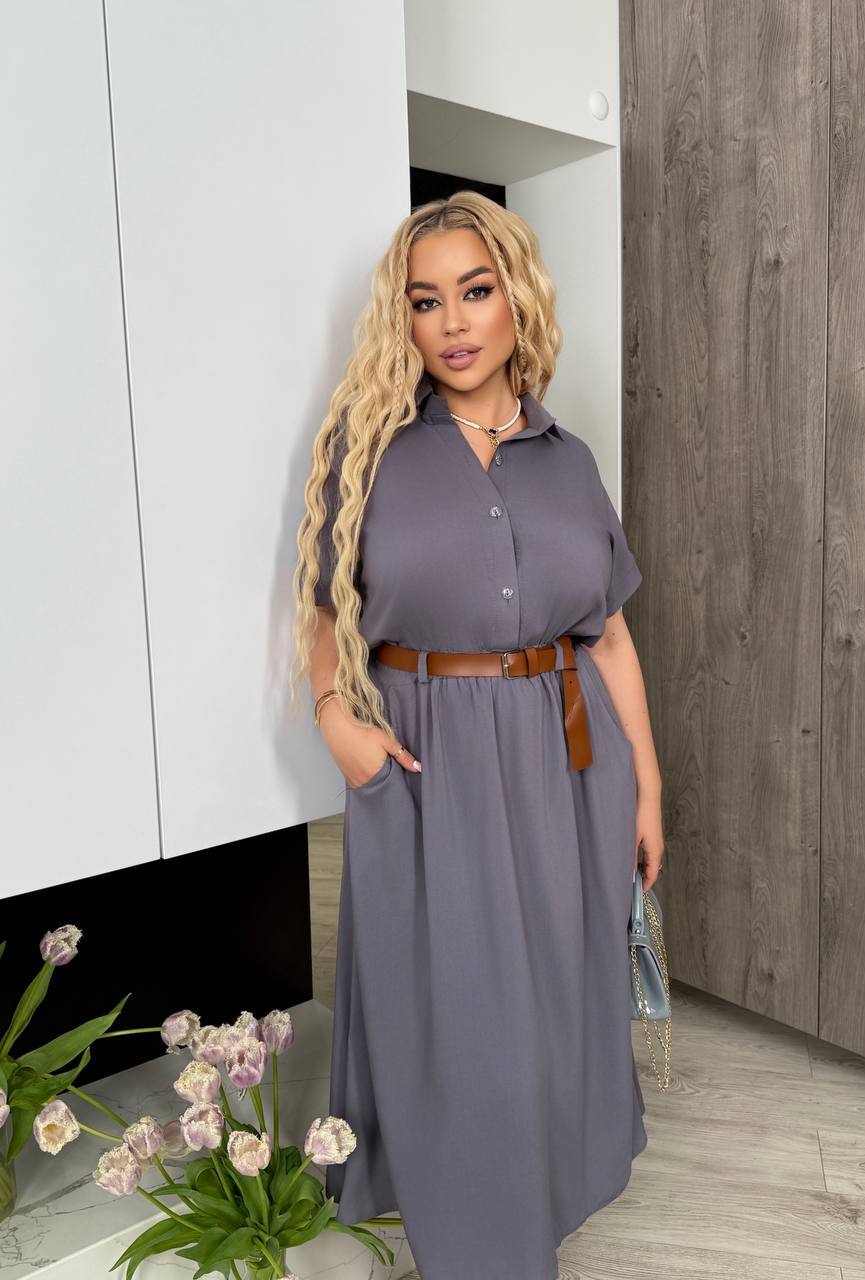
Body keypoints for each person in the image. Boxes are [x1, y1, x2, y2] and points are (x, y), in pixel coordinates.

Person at [289, 190, 664, 1280]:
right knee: (456, 1009)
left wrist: (647, 791)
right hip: (427, 761)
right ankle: (482, 1248)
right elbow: (321, 615)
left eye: (475, 290)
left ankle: (542, 1201)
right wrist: (337, 723)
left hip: (570, 760)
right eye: (425, 301)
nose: (452, 322)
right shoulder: (366, 451)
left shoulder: (569, 458)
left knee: (556, 996)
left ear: (515, 299)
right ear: (401, 319)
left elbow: (608, 637)